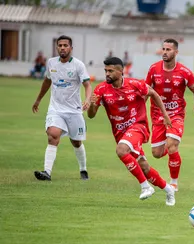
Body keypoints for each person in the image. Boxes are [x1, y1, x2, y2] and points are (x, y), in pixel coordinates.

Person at [87, 57, 176, 206]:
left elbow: (153, 93)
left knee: (121, 150)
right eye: (105, 71)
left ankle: (145, 187)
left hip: (138, 127)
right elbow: (91, 115)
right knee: (144, 168)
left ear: (121, 71)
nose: (107, 74)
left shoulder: (135, 84)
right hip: (121, 134)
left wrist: (165, 115)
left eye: (110, 71)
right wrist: (92, 104)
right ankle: (169, 190)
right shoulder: (101, 89)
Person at [145, 38, 194, 192]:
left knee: (172, 146)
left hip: (176, 115)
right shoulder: (153, 69)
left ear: (176, 52)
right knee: (156, 153)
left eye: (168, 50)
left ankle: (174, 182)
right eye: (163, 49)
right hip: (158, 115)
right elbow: (146, 91)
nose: (165, 52)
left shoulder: (184, 72)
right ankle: (171, 149)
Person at [32, 35, 92, 181]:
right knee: (53, 135)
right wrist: (38, 99)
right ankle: (47, 172)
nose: (62, 48)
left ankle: (83, 169)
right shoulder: (51, 63)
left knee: (76, 142)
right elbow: (47, 82)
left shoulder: (78, 65)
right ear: (57, 47)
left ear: (71, 48)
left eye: (65, 45)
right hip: (56, 109)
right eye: (60, 45)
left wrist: (87, 99)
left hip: (74, 111)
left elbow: (87, 85)